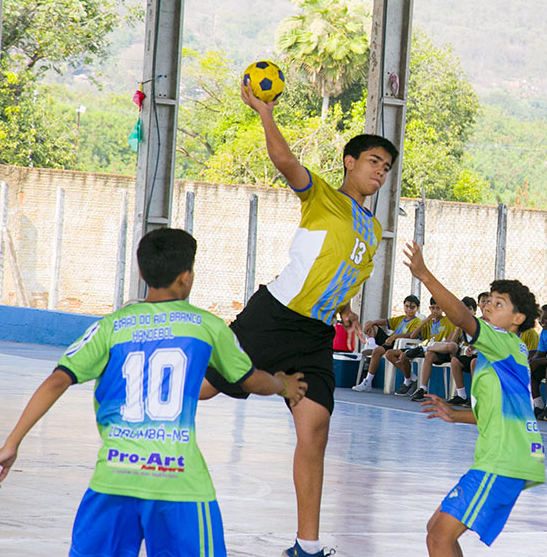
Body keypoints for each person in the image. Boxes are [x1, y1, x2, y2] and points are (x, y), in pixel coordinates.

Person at [0, 228, 307, 555]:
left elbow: (57, 380)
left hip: (115, 479)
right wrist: (283, 384)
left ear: (142, 273)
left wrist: (12, 442)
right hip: (181, 484)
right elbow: (249, 379)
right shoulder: (207, 326)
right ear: (186, 277)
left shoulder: (112, 326)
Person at [201, 81, 398, 557]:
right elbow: (286, 164)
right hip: (274, 317)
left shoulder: (372, 230)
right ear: (350, 162)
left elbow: (340, 273)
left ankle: (307, 547)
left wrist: (346, 309)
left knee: (316, 428)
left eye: (387, 168)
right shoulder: (323, 197)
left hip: (314, 334)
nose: (381, 172)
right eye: (374, 161)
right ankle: (135, 408)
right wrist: (265, 113)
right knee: (203, 388)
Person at [403, 242, 545, 555]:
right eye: (489, 301)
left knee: (439, 537)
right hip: (500, 457)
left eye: (499, 303)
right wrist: (455, 414)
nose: (489, 307)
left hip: (503, 460)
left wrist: (425, 275)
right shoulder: (501, 354)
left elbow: (462, 318)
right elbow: (499, 411)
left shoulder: (504, 343)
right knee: (436, 531)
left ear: (517, 318)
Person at [351, 295, 422, 392]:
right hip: (390, 341)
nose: (409, 309)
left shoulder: (417, 321)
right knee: (371, 325)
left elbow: (413, 335)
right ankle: (371, 343)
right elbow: (384, 321)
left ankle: (368, 381)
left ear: (417, 308)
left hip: (399, 344)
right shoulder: (401, 318)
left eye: (412, 307)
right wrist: (371, 323)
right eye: (407, 306)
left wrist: (395, 337)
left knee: (377, 351)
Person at [411, 297, 476, 402]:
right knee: (429, 355)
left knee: (451, 346)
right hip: (445, 351)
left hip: (457, 352)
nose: (466, 312)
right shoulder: (458, 322)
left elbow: (452, 343)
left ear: (474, 311)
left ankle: (424, 348)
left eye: (469, 309)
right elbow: (452, 339)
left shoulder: (475, 324)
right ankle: (423, 389)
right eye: (463, 309)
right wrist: (458, 328)